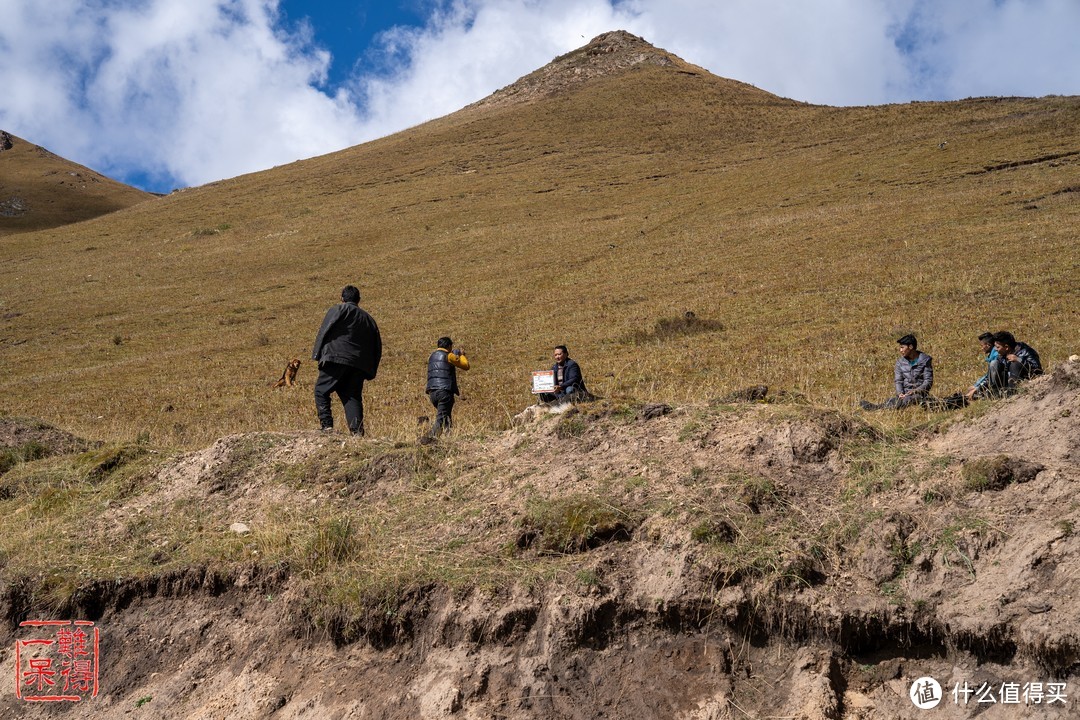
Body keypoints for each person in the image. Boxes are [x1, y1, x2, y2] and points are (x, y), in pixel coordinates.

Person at [311, 285, 382, 435]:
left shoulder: (338, 310)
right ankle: (357, 433)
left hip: (335, 357)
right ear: (359, 300)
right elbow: (377, 345)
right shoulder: (369, 319)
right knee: (352, 397)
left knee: (321, 390)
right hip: (359, 365)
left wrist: (317, 354)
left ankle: (327, 426)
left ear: (342, 298)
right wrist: (371, 369)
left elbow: (325, 330)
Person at [860, 334, 933, 410]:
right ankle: (878, 407)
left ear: (910, 347)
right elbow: (898, 380)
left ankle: (877, 408)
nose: (900, 350)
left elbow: (928, 382)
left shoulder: (925, 360)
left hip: (919, 394)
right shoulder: (900, 362)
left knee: (906, 400)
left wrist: (915, 391)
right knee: (895, 400)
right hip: (904, 394)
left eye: (902, 347)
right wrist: (900, 393)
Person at [425, 336, 470, 439]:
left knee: (446, 417)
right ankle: (430, 439)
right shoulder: (449, 356)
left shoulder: (431, 356)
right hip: (444, 392)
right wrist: (460, 355)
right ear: (449, 346)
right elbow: (466, 365)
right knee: (441, 418)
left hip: (432, 392)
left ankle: (449, 438)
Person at [963, 332, 999, 401]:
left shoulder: (996, 357)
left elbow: (990, 378)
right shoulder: (993, 355)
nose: (981, 348)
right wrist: (976, 385)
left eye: (982, 345)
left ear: (988, 345)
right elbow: (988, 375)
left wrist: (977, 388)